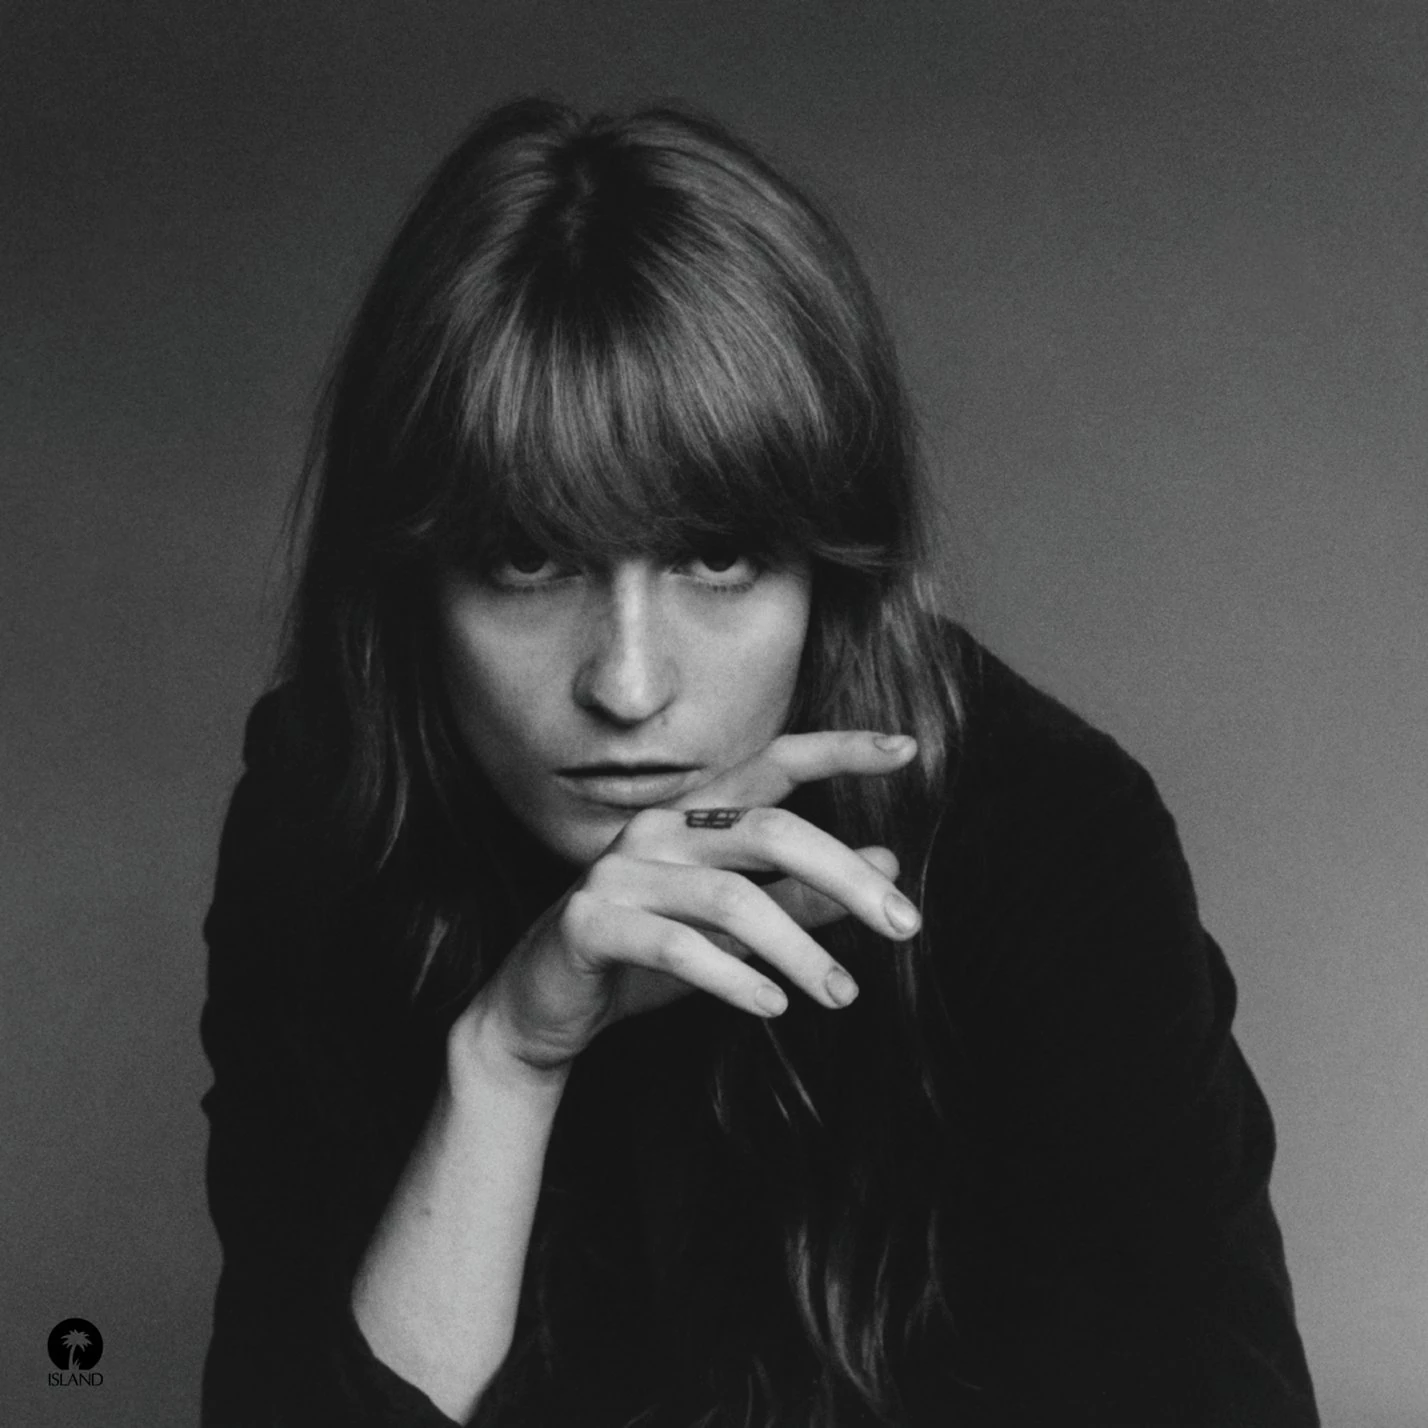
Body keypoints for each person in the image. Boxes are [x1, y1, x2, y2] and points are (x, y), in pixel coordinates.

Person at [198, 98, 1319, 1427]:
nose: (627, 686)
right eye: (527, 558)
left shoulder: (1049, 841)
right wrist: (504, 1065)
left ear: (829, 575)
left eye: (715, 555)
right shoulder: (329, 814)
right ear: (412, 583)